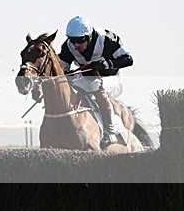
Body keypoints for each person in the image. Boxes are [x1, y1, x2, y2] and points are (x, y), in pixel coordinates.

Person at [57, 16, 133, 148]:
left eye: (80, 41)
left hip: (112, 79)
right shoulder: (68, 46)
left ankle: (110, 133)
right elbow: (63, 68)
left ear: (89, 37)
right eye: (73, 41)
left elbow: (129, 59)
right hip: (86, 79)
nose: (76, 45)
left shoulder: (107, 39)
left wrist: (105, 64)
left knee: (97, 85)